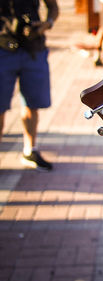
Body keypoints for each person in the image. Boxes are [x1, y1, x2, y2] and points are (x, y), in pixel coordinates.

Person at [0, 0, 58, 171]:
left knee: (33, 104)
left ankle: (29, 150)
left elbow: (53, 6)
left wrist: (46, 24)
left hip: (33, 48)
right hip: (3, 48)